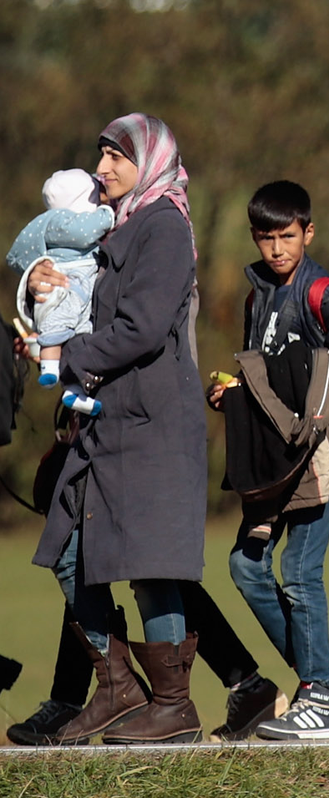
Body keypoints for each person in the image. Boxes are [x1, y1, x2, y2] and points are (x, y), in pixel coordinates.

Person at [26, 113, 220, 743]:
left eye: (117, 157)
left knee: (152, 563)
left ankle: (172, 705)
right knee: (69, 549)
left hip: (154, 420)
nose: (102, 168)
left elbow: (140, 327)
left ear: (152, 162)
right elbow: (62, 285)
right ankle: (118, 688)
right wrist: (38, 284)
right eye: (100, 154)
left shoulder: (162, 226)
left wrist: (68, 357)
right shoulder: (119, 225)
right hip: (107, 421)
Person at [206, 180, 329, 739]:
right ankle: (324, 675)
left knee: (300, 571)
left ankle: (320, 702)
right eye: (266, 238)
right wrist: (232, 390)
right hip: (273, 456)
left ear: (308, 233)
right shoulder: (256, 292)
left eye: (288, 236)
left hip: (320, 452)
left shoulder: (323, 293)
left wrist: (307, 405)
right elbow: (258, 369)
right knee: (245, 565)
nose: (277, 249)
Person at [8, 169, 114, 413]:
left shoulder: (43, 223)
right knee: (67, 326)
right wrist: (106, 213)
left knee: (71, 332)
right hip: (74, 288)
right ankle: (58, 374)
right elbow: (85, 231)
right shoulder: (75, 223)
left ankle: (68, 384)